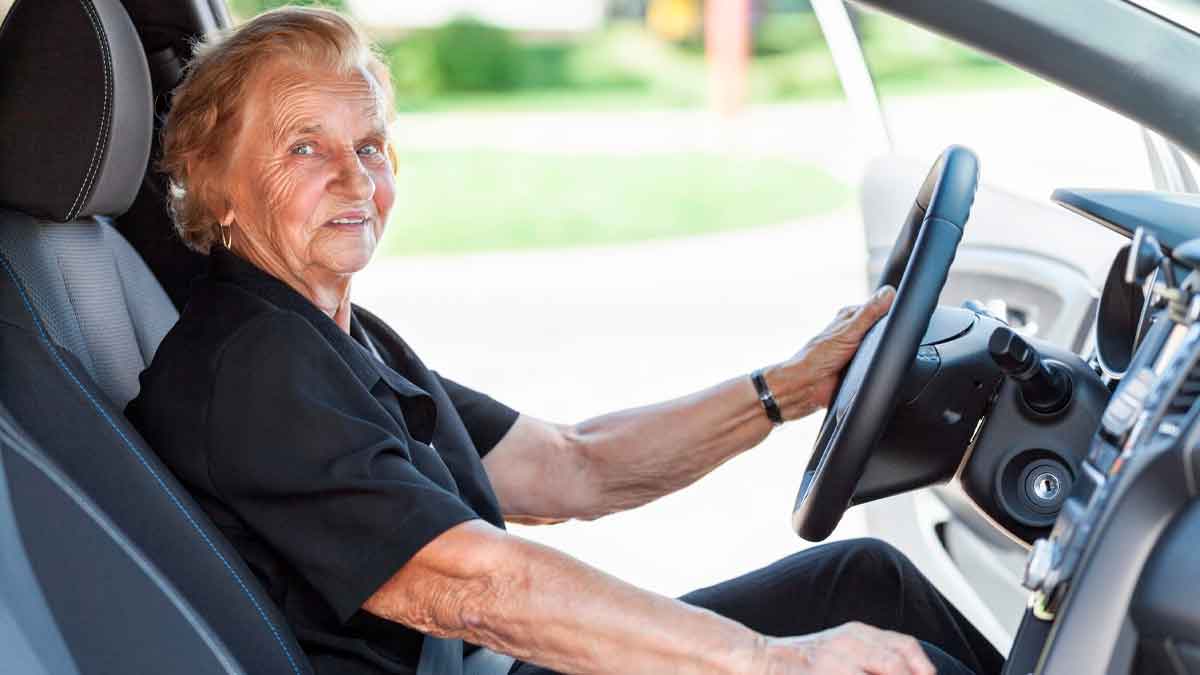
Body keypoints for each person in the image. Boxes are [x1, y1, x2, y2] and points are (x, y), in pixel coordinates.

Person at [126, 7, 1004, 675]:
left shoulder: (335, 337)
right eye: (305, 149)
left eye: (370, 145)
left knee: (863, 582)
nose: (355, 177)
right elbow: (476, 585)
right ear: (215, 184)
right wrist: (774, 663)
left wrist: (790, 386)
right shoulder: (254, 368)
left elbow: (573, 463)